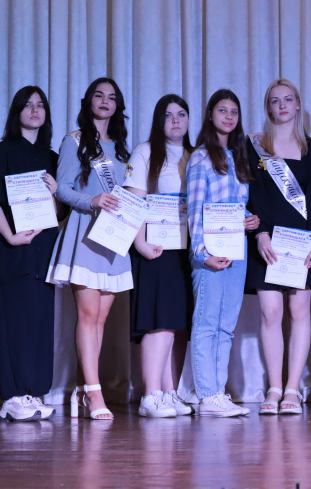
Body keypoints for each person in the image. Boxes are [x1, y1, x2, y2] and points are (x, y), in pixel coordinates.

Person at [47, 77, 132, 420]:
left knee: (100, 319)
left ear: (118, 106)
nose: (105, 101)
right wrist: (92, 200)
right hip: (84, 232)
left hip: (113, 238)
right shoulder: (74, 141)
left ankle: (84, 388)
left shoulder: (122, 148)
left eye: (112, 97)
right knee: (87, 314)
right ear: (89, 101)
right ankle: (95, 395)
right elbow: (62, 189)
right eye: (99, 95)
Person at [247, 79, 311, 416]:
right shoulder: (254, 147)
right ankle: (274, 386)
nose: (282, 105)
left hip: (302, 243)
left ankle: (293, 388)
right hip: (267, 243)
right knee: (270, 313)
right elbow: (253, 195)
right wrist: (260, 233)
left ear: (297, 105)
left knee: (298, 312)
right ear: (268, 107)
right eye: (275, 100)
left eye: (288, 99)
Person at [0, 86, 59, 421]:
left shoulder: (52, 157)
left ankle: (34, 392)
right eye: (28, 105)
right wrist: (11, 237)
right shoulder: (3, 151)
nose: (35, 110)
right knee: (15, 322)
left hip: (44, 253)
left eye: (40, 105)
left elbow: (59, 212)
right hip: (12, 251)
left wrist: (56, 192)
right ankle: (13, 396)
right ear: (17, 112)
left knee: (40, 323)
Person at [186, 89, 258, 417]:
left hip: (236, 249)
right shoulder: (201, 158)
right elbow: (195, 210)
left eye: (234, 111)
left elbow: (237, 207)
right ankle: (207, 394)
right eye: (222, 110)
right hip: (210, 254)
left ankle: (218, 392)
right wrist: (202, 254)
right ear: (210, 115)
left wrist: (250, 220)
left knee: (226, 326)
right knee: (206, 323)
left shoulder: (239, 158)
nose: (229, 116)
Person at [124, 94, 194, 418]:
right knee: (158, 322)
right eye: (168, 115)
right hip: (155, 248)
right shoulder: (145, 152)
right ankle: (150, 394)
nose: (175, 120)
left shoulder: (196, 155)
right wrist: (139, 243)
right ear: (158, 120)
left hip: (185, 250)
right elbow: (134, 200)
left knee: (177, 324)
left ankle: (169, 393)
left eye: (181, 114)